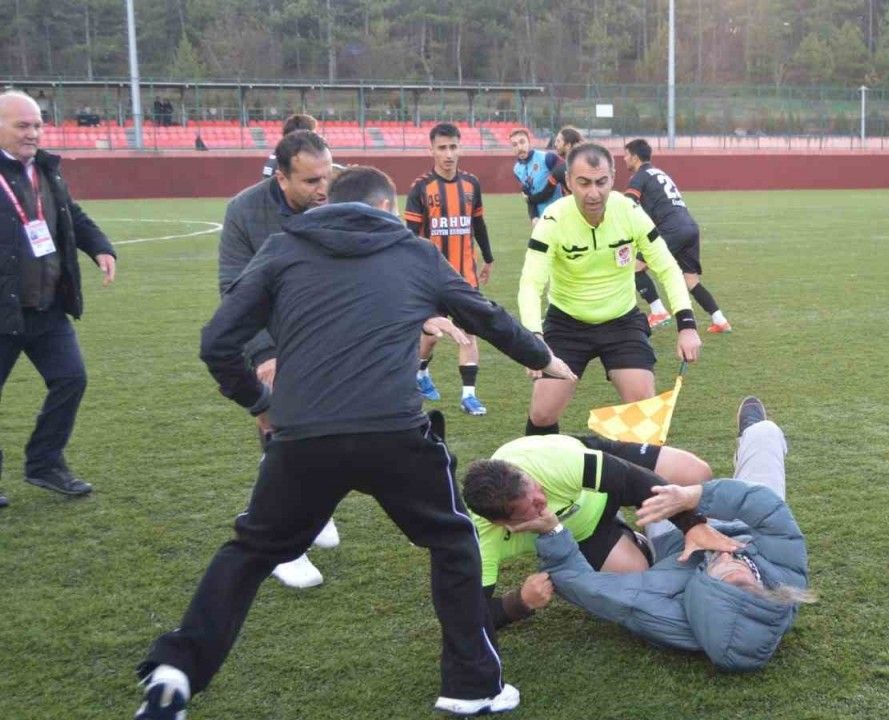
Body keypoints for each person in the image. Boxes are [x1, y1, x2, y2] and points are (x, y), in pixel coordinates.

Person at [134, 166, 576, 719]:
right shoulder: (412, 251)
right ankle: (471, 686)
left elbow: (216, 342)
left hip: (302, 439)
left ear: (326, 204)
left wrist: (259, 403)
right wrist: (543, 358)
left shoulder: (282, 247)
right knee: (452, 540)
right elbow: (484, 315)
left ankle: (177, 669)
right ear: (387, 208)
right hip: (393, 432)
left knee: (250, 551)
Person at [510, 397, 812, 671]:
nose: (724, 553)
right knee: (765, 433)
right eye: (740, 564)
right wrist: (694, 497)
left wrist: (551, 531)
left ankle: (595, 463)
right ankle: (751, 433)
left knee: (650, 491)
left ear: (703, 590)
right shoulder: (784, 579)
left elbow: (586, 586)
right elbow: (767, 509)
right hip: (746, 524)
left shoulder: (665, 613)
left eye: (720, 566)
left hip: (677, 547)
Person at [517, 143, 702, 436]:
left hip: (621, 322)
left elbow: (667, 266)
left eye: (601, 182)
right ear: (568, 182)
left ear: (613, 178)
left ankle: (638, 466)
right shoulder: (553, 219)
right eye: (584, 183)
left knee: (643, 409)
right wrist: (533, 338)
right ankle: (541, 463)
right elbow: (531, 283)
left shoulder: (629, 211)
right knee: (542, 413)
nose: (594, 193)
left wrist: (687, 325)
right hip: (566, 323)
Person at [220, 129, 336, 588]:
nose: (323, 189)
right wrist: (266, 353)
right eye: (311, 181)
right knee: (283, 432)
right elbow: (235, 291)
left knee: (332, 431)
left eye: (327, 176)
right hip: (275, 339)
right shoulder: (245, 211)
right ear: (281, 177)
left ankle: (313, 508)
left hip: (333, 334)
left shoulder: (339, 198)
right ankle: (281, 543)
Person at [460, 433, 717, 628]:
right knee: (634, 579)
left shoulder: (553, 463)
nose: (542, 498)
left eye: (535, 487)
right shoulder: (481, 541)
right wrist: (518, 602)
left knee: (695, 473)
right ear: (503, 523)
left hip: (603, 476)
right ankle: (629, 537)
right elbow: (465, 616)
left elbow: (631, 480)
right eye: (533, 506)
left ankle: (661, 524)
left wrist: (692, 525)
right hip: (584, 532)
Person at [0, 91, 117, 507]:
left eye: (37, 125)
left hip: (46, 307)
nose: (33, 133)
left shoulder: (46, 170)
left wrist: (100, 247)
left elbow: (71, 214)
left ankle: (45, 463)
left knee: (71, 379)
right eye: (22, 125)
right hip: (3, 310)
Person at [404, 123, 495, 416]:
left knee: (469, 333)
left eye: (453, 147)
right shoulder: (421, 188)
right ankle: (420, 372)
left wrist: (488, 258)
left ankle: (469, 396)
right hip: (430, 279)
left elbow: (478, 224)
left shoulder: (471, 184)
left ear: (460, 148)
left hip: (465, 276)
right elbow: (410, 236)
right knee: (431, 336)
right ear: (431, 150)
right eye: (442, 148)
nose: (448, 154)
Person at [623, 139, 731, 334]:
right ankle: (720, 320)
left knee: (634, 268)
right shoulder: (659, 173)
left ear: (635, 157)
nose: (624, 159)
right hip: (689, 227)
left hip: (671, 229)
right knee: (691, 280)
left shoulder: (639, 176)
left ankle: (658, 311)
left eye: (626, 155)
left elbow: (627, 205)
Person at [510, 128, 560, 224]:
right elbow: (528, 195)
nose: (519, 148)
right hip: (541, 220)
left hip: (559, 215)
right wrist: (534, 217)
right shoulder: (517, 169)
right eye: (514, 145)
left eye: (522, 142)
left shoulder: (547, 158)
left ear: (529, 142)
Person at [261, 113, 317, 179]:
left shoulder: (281, 154)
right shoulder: (290, 160)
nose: (316, 138)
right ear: (301, 136)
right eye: (313, 135)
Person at [547, 125, 583, 197]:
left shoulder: (560, 171)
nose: (555, 144)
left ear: (568, 145)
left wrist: (529, 198)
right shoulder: (585, 162)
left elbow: (546, 193)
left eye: (558, 141)